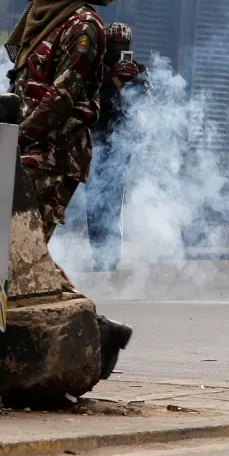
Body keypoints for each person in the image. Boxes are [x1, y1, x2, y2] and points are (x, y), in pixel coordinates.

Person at [4, 0, 135, 377]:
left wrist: (16, 134)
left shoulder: (84, 27)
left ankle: (93, 331)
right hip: (26, 148)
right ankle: (99, 330)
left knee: (22, 250)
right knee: (21, 251)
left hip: (53, 155)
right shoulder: (45, 16)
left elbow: (62, 97)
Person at [85, 22, 144, 272]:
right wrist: (109, 80)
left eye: (124, 45)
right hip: (95, 142)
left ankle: (110, 256)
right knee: (94, 202)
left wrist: (136, 81)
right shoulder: (94, 71)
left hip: (120, 147)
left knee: (112, 203)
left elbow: (149, 103)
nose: (119, 49)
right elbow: (88, 98)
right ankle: (99, 255)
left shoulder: (137, 71)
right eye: (115, 45)